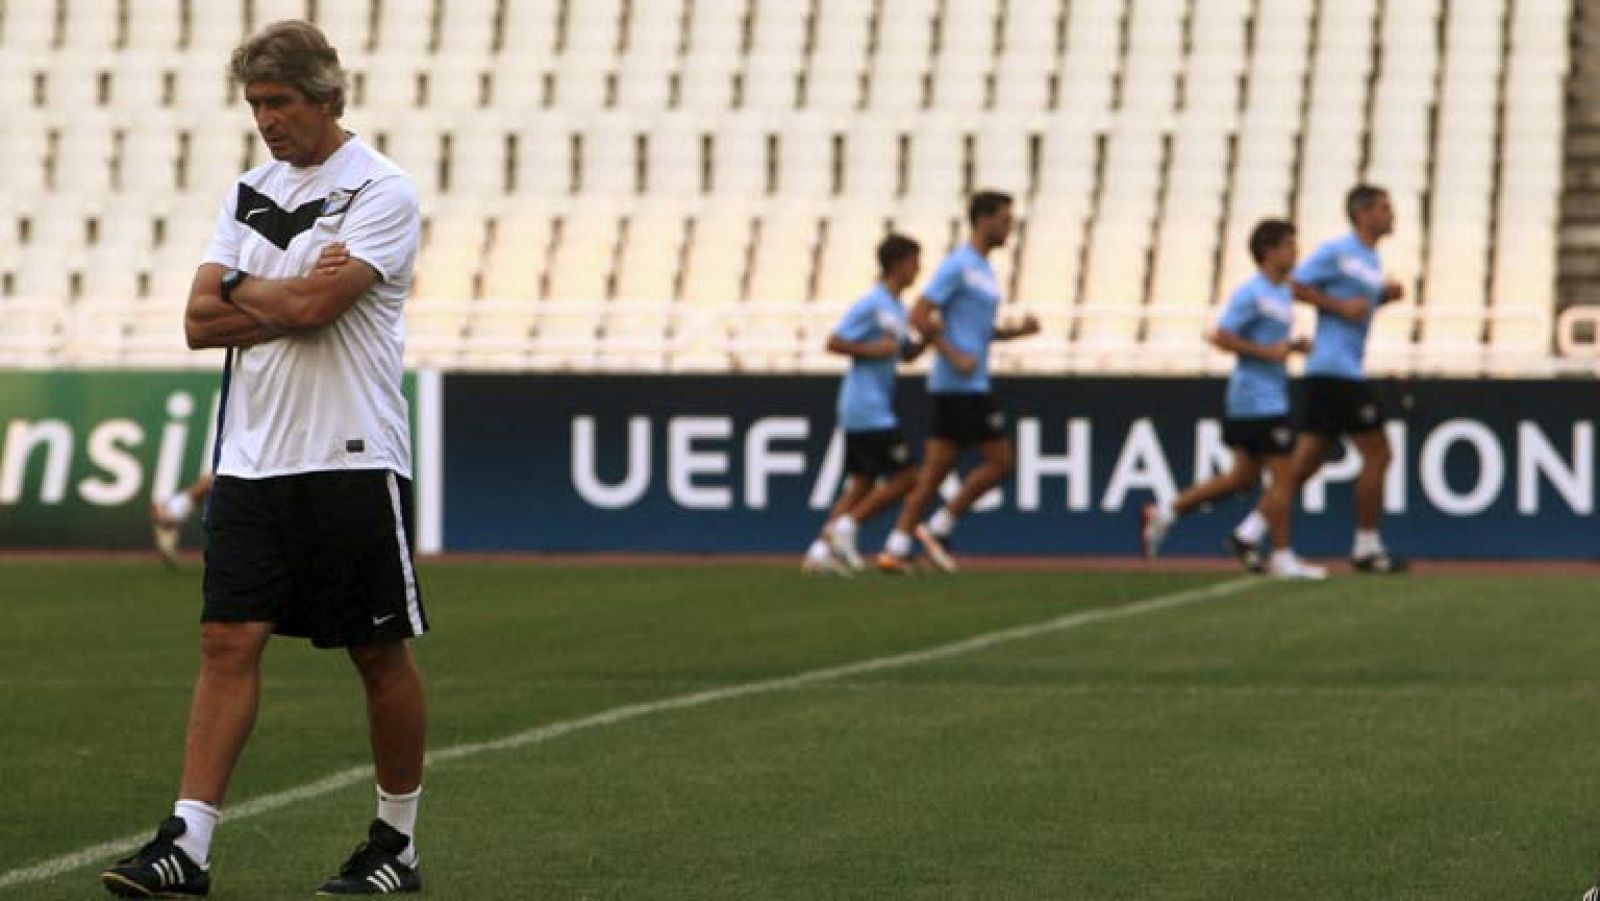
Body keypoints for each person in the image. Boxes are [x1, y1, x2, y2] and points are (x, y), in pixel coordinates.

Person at [100, 20, 429, 897]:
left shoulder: (381, 189)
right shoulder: (248, 188)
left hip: (350, 452)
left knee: (377, 652)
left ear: (327, 97)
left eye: (279, 101)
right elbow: (197, 321)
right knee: (224, 637)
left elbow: (321, 307)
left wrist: (248, 289)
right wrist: (269, 293)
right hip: (250, 457)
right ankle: (187, 844)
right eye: (254, 103)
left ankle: (396, 842)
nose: (266, 119)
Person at [1140, 220, 1325, 580]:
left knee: (1241, 479)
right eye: (1288, 245)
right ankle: (1281, 555)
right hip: (1258, 399)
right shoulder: (1252, 293)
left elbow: (1269, 342)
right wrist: (1266, 352)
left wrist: (1293, 346)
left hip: (1259, 397)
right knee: (1285, 477)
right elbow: (1220, 335)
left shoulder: (1282, 291)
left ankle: (1166, 511)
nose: (1294, 252)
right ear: (1268, 251)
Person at [876, 191, 1040, 575]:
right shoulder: (959, 266)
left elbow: (977, 331)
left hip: (962, 382)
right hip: (962, 385)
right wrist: (953, 355)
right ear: (982, 220)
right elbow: (918, 316)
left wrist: (1016, 333)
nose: (1008, 227)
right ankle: (940, 526)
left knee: (933, 472)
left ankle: (896, 545)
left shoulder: (983, 269)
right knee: (1000, 462)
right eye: (1003, 219)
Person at [1280, 184, 1409, 574]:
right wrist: (1338, 305)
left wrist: (1381, 298)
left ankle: (1249, 532)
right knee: (1379, 453)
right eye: (1384, 208)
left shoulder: (1369, 260)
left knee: (1305, 464)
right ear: (1363, 214)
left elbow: (1355, 306)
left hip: (1334, 370)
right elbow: (1293, 284)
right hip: (1337, 371)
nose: (1391, 214)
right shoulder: (1339, 251)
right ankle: (1366, 547)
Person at [804, 234, 931, 574]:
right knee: (907, 477)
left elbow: (903, 353)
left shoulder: (895, 308)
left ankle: (819, 551)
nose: (918, 270)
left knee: (861, 483)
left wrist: (929, 339)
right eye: (915, 262)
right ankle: (845, 528)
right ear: (899, 263)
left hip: (871, 405)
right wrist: (871, 351)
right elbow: (834, 341)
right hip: (866, 406)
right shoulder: (872, 303)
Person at [150, 473, 216, 568]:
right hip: (176, 512)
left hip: (176, 510)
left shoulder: (170, 510)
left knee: (198, 490)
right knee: (198, 490)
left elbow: (159, 510)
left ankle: (169, 556)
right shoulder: (171, 515)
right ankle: (169, 557)